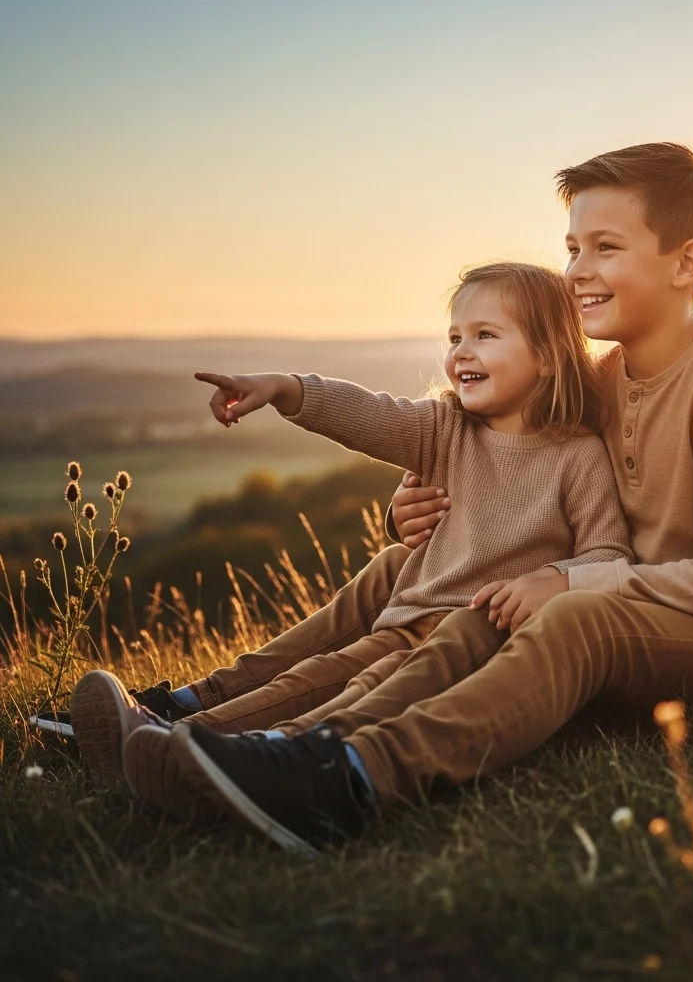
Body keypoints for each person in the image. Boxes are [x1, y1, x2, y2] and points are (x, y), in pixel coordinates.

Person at [128, 141, 693, 856]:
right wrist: (409, 505)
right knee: (474, 607)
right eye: (573, 247)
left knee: (575, 620)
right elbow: (498, 441)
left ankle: (352, 779)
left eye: (606, 247)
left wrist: (569, 579)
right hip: (643, 608)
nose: (578, 272)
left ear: (686, 263)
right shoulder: (601, 378)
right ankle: (280, 741)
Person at [69, 262, 632, 820]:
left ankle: (234, 752)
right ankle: (167, 736)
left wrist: (557, 579)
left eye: (486, 335)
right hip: (408, 620)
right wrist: (285, 389)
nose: (462, 351)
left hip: (474, 642)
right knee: (312, 676)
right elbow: (366, 413)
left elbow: (608, 555)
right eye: (455, 336)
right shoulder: (444, 429)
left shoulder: (578, 458)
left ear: (548, 354)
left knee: (356, 692)